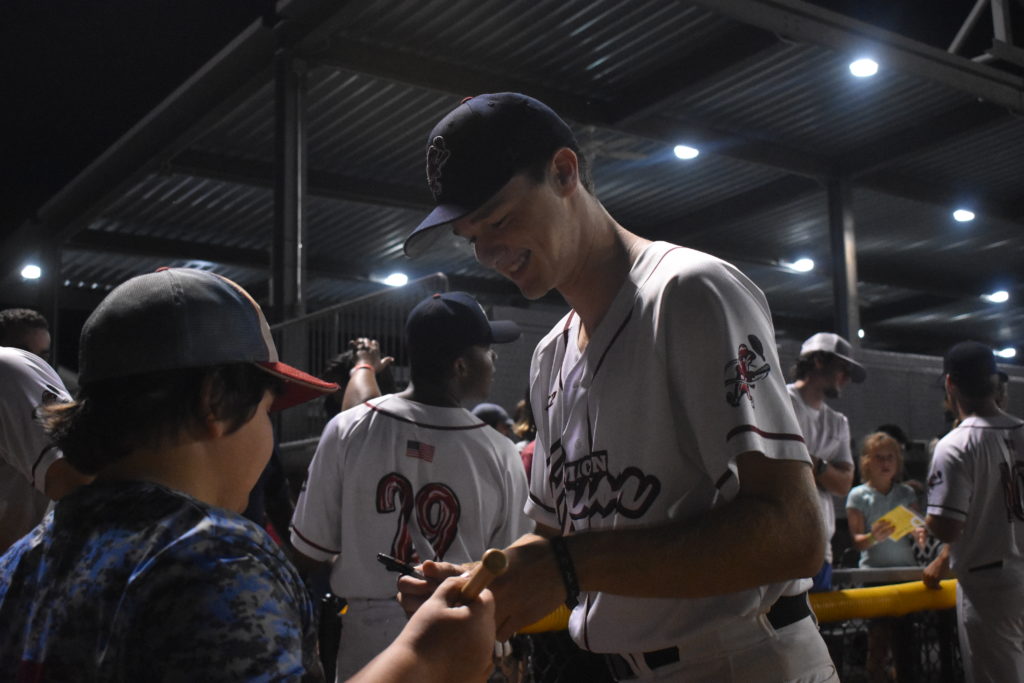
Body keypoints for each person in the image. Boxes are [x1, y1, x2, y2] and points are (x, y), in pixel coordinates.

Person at [398, 92, 834, 681]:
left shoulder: (688, 292)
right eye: (471, 236)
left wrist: (567, 567)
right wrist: (483, 582)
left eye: (498, 220)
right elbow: (552, 538)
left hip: (742, 657)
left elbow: (796, 533)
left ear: (563, 172)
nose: (489, 253)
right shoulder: (551, 355)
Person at [0, 268, 497, 683]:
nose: (269, 432)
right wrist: (426, 658)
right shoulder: (214, 555)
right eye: (266, 410)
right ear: (214, 400)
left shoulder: (24, 559)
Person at [289, 291, 532, 682]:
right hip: (459, 629)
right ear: (460, 366)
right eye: (487, 350)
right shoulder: (500, 450)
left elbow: (307, 552)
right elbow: (513, 571)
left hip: (366, 634)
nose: (494, 359)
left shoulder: (348, 427)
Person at [924, 341, 1024, 683]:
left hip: (989, 583)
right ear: (995, 382)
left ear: (951, 384)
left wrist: (927, 516)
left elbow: (947, 528)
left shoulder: (955, 444)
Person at [787, 332, 863, 591]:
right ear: (819, 360)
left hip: (821, 550)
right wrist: (824, 470)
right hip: (781, 545)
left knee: (819, 628)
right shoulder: (780, 402)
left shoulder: (838, 422)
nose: (847, 378)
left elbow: (844, 485)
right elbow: (778, 468)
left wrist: (809, 461)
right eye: (843, 369)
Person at [846, 431, 920, 682]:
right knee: (877, 641)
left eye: (890, 457)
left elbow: (917, 527)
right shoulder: (858, 495)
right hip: (875, 574)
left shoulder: (906, 494)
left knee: (907, 644)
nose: (885, 463)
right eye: (879, 457)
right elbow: (857, 543)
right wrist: (873, 537)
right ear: (867, 461)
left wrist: (920, 533)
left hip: (906, 572)